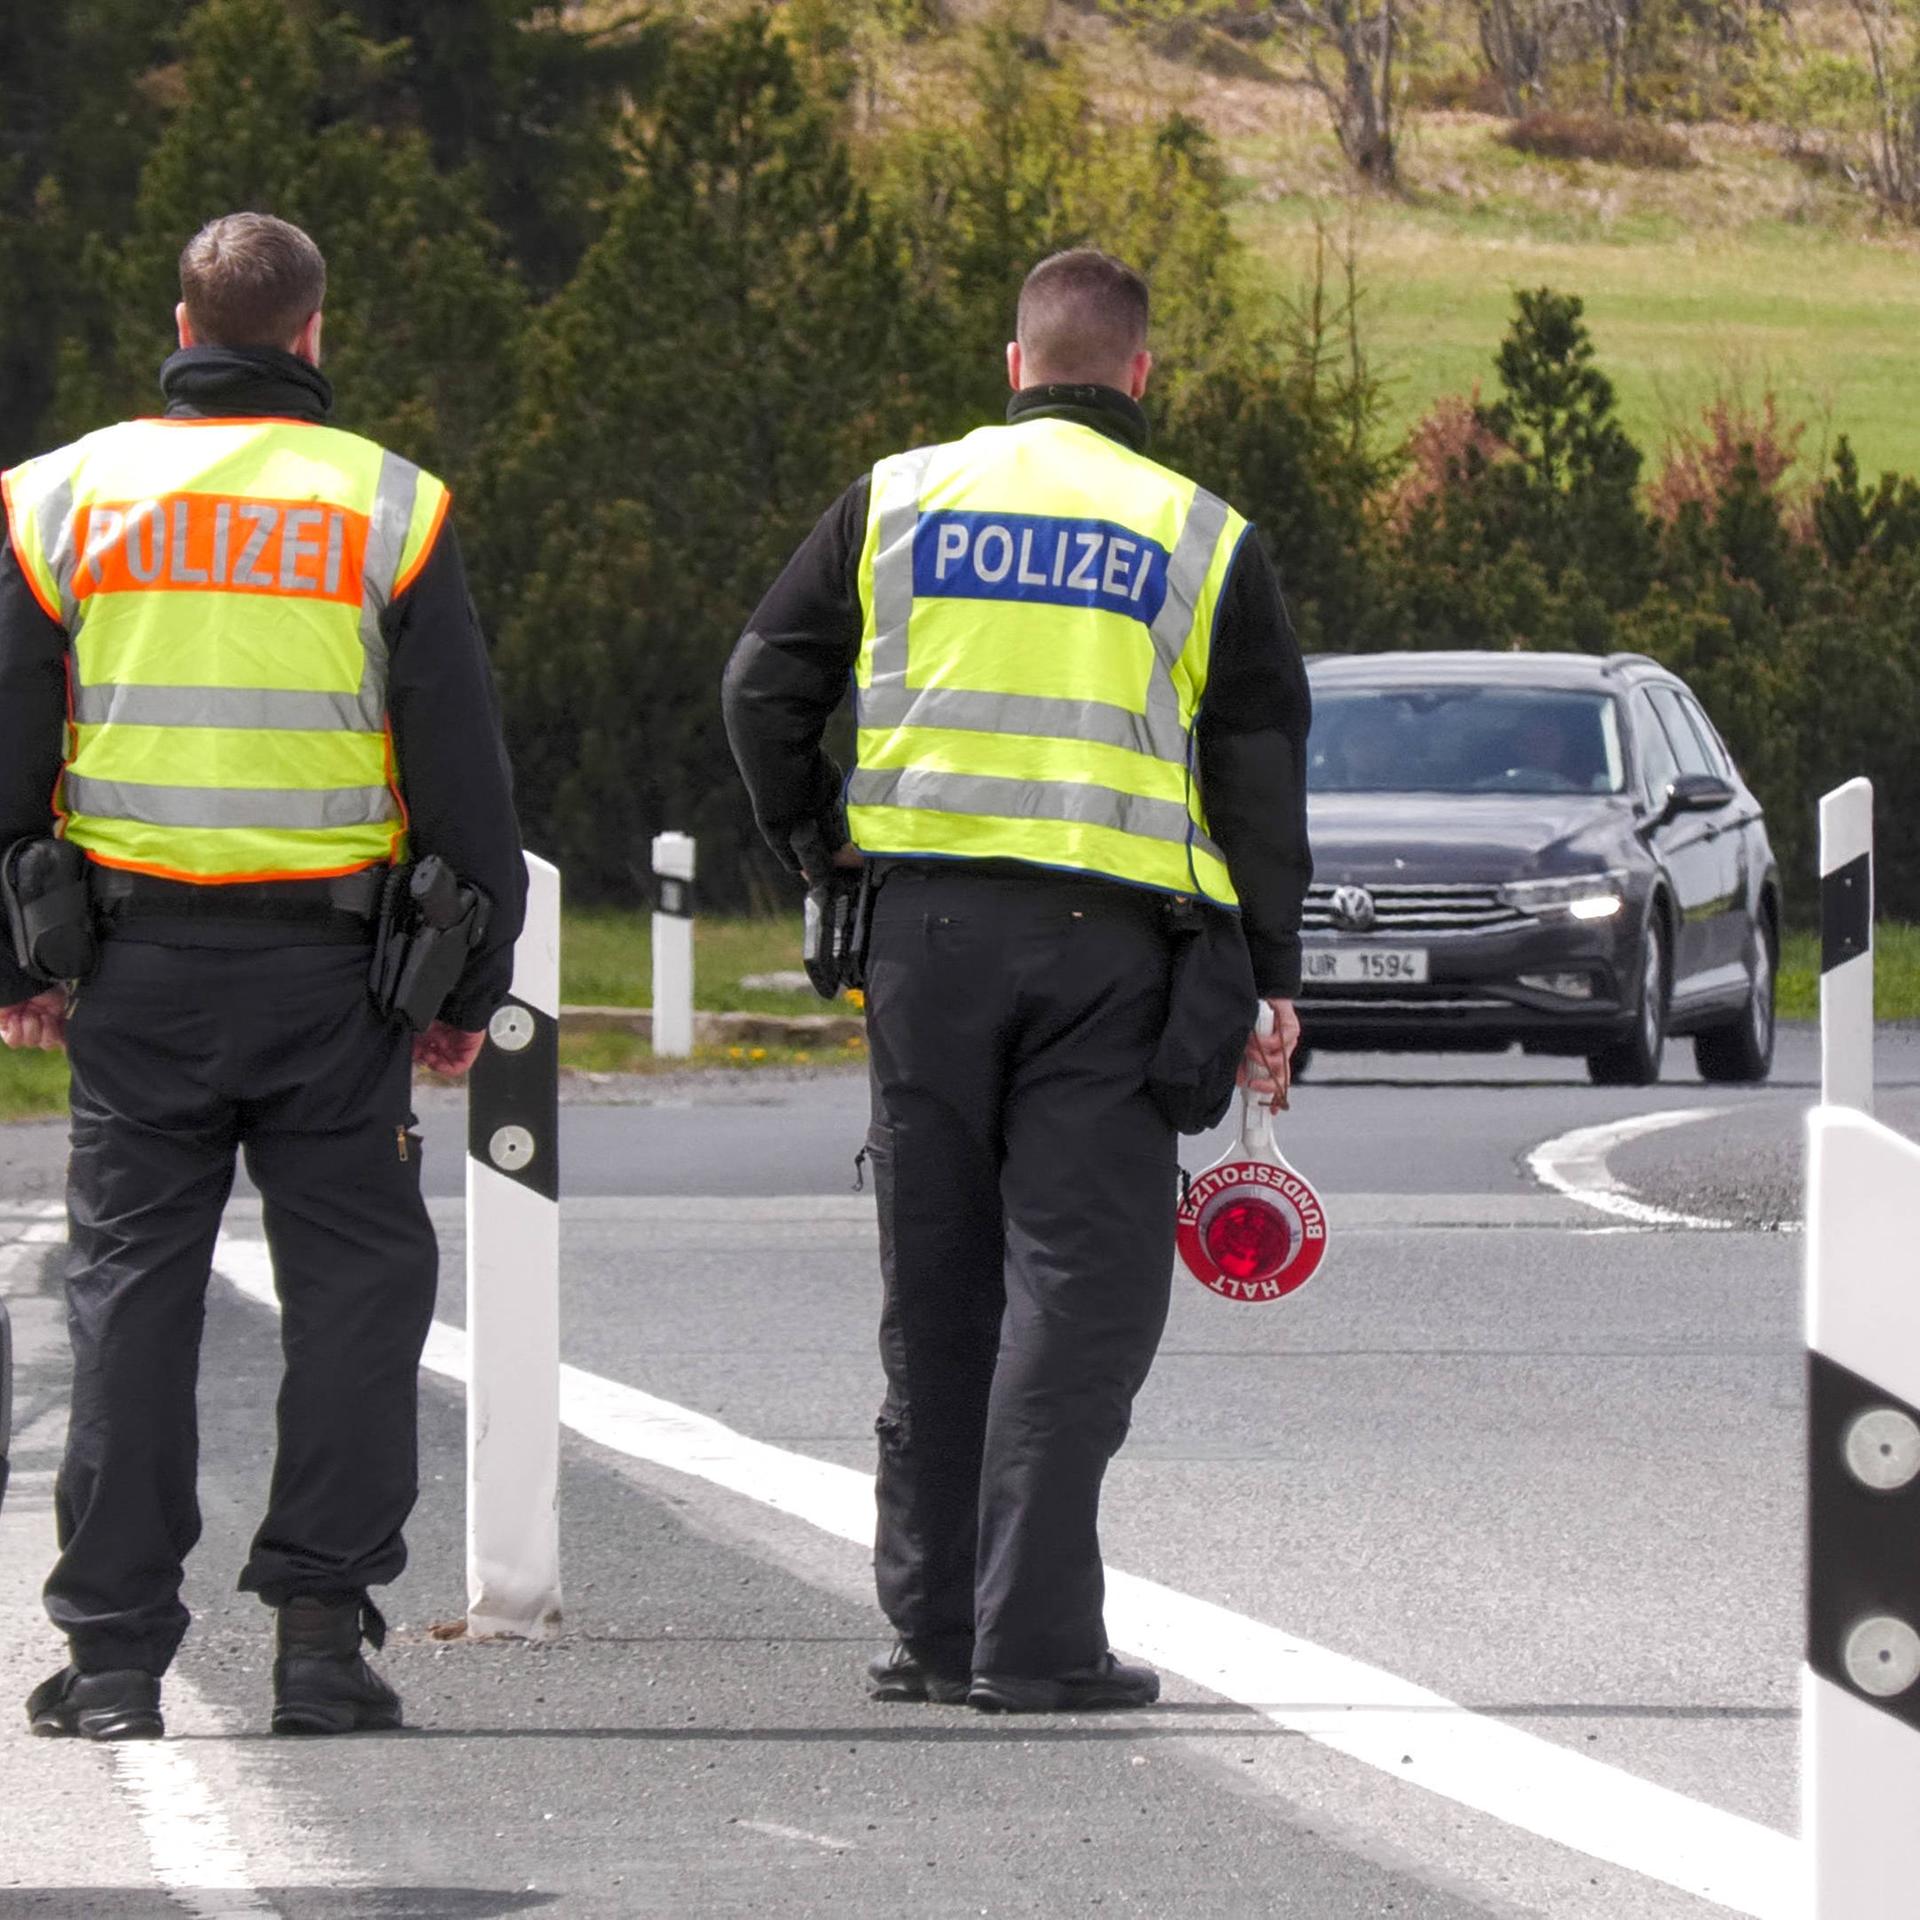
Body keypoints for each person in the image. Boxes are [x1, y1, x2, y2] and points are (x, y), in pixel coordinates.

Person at [723, 248, 1311, 1712]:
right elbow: (1258, 785)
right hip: (1112, 957)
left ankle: (928, 1627)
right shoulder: (1200, 532)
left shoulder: (899, 498)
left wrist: (822, 847)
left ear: (1012, 367)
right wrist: (1272, 981)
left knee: (935, 1279)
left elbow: (760, 687)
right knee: (1081, 1289)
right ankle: (1035, 1642)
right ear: (1140, 375)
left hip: (921, 943)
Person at [0, 212, 525, 1741]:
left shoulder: (58, 498)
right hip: (336, 979)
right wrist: (462, 989)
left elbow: (11, 745)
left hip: (138, 973)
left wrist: (18, 960)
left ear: (184, 321)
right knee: (358, 1291)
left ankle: (110, 1661)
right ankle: (316, 1635)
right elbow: (462, 774)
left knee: (130, 1298)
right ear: (310, 335)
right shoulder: (391, 508)